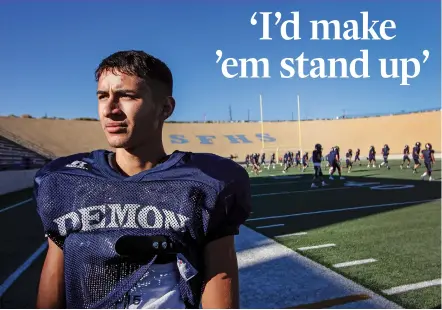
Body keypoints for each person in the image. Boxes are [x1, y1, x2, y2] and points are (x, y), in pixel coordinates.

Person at [34, 50, 251, 309]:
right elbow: (54, 278)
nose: (110, 109)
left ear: (166, 108)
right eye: (103, 96)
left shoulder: (203, 183)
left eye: (126, 95)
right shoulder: (66, 181)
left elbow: (220, 276)